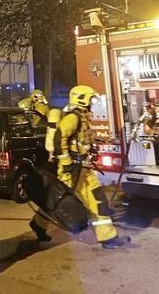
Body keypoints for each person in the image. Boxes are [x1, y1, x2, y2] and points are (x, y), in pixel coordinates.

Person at [29, 85, 130, 249]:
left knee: (85, 200)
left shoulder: (81, 117)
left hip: (81, 169)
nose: (92, 102)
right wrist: (67, 163)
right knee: (63, 202)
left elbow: (78, 140)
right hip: (72, 170)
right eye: (90, 99)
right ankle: (107, 238)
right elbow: (59, 139)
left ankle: (107, 236)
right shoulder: (73, 118)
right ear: (82, 99)